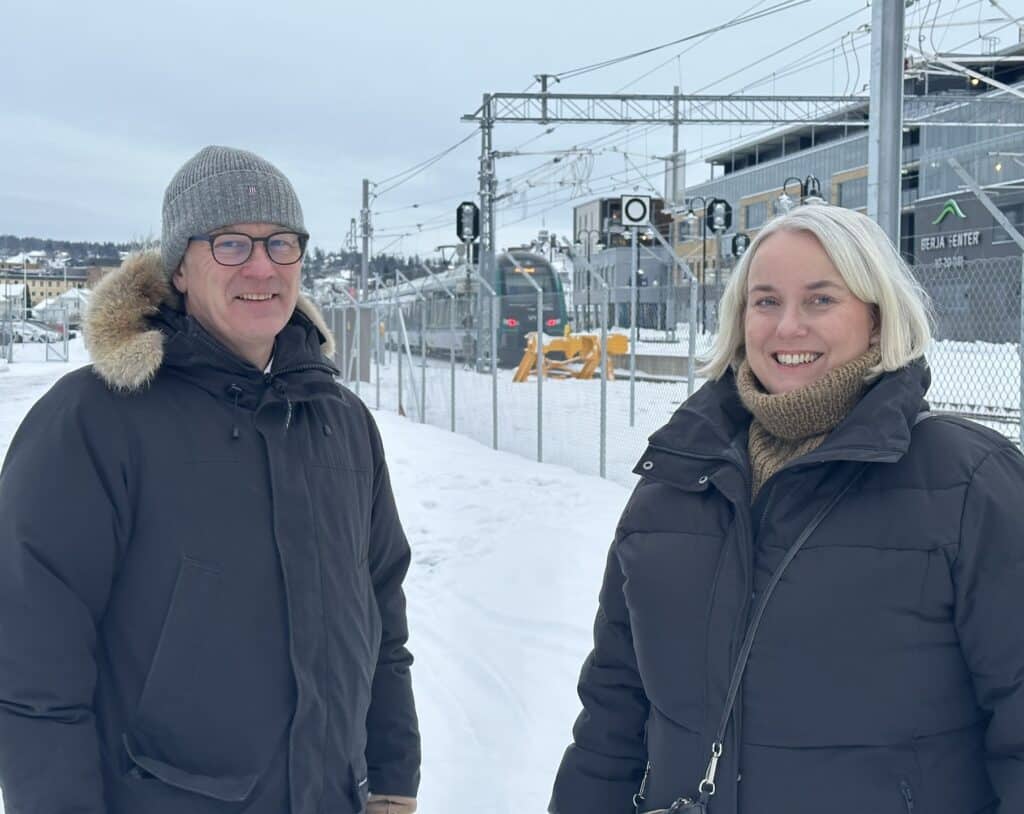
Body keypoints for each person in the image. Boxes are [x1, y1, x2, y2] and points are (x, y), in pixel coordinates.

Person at [550, 205, 1024, 814]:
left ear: (877, 320)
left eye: (821, 301)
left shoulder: (968, 482)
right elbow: (613, 711)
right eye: (766, 301)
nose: (787, 327)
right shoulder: (678, 477)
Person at [0, 146, 420, 814]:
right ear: (180, 269)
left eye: (282, 243)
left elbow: (381, 613)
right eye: (231, 244)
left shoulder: (340, 422)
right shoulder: (96, 419)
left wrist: (392, 776)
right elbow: (32, 664)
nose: (262, 267)